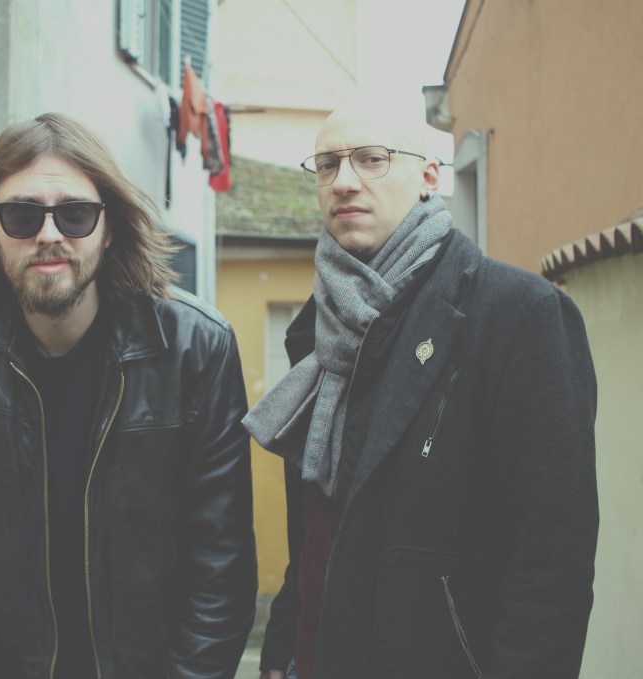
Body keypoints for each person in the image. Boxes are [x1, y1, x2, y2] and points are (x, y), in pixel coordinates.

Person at [244, 99, 599, 679]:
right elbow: (314, 526)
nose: (344, 180)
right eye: (328, 164)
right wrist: (282, 648)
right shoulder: (318, 325)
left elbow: (552, 559)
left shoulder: (519, 314)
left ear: (430, 176)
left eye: (371, 159)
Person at [0, 112, 257, 678]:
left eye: (75, 214)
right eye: (22, 215)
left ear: (108, 227)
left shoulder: (196, 347)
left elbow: (221, 560)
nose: (49, 235)